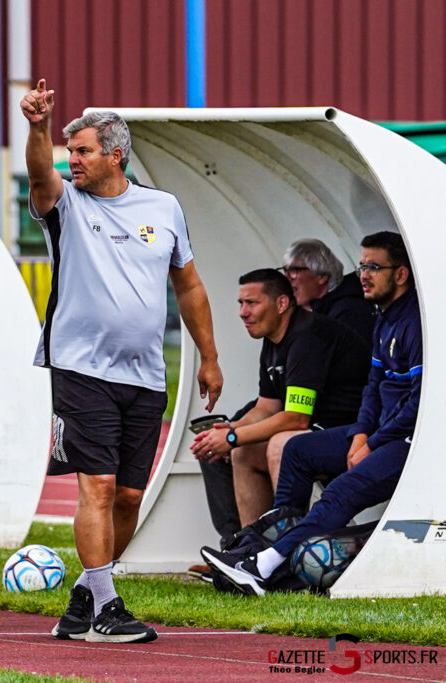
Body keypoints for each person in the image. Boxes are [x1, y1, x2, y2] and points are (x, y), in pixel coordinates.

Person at [22, 79, 223, 644]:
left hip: (146, 373)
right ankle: (109, 609)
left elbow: (188, 285)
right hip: (80, 368)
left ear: (115, 153)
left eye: (82, 150)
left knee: (131, 497)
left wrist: (208, 357)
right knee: (100, 488)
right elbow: (40, 174)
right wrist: (38, 127)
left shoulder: (164, 208)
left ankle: (86, 595)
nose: (72, 161)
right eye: (69, 152)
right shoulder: (64, 203)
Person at [202, 231, 420, 595]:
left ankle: (269, 563)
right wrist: (363, 434)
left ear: (400, 274)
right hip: (374, 432)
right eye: (361, 265)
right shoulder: (383, 318)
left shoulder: (413, 320)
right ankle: (250, 553)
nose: (364, 274)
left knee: (320, 476)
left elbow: (416, 403)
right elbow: (373, 387)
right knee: (295, 450)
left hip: (407, 439)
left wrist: (373, 440)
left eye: (374, 267)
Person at [194, 237, 376, 562]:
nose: (242, 313)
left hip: (354, 432)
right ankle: (249, 552)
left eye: (251, 303)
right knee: (244, 452)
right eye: (240, 303)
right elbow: (267, 407)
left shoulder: (307, 336)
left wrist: (232, 436)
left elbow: (296, 419)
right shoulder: (274, 337)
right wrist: (228, 431)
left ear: (280, 304)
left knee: (283, 444)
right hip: (319, 429)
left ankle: (286, 557)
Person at [281, 238, 375, 342]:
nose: (287, 277)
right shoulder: (316, 312)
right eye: (285, 270)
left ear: (321, 276)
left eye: (294, 270)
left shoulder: (350, 313)